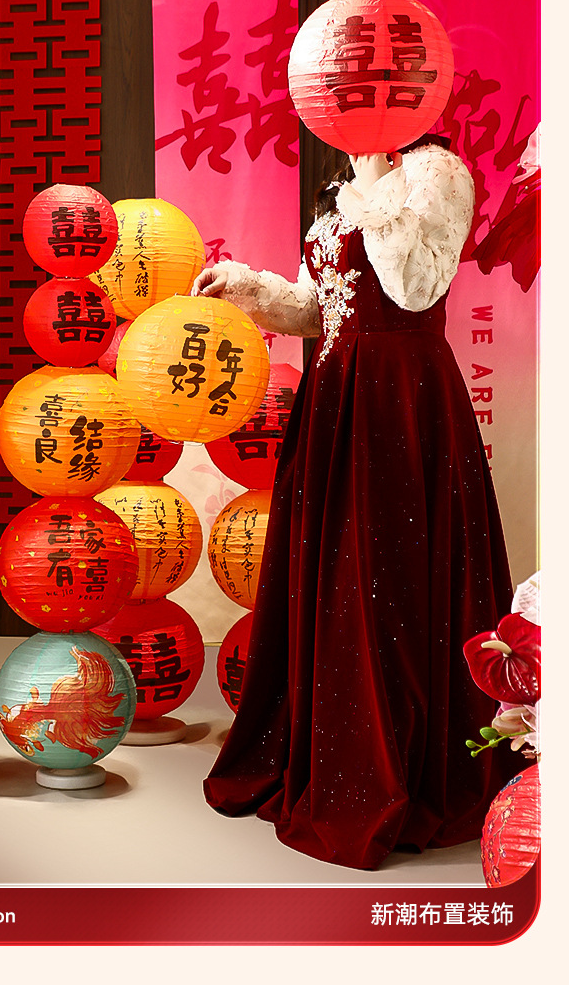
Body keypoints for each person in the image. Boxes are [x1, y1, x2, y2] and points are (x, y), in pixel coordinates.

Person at [196, 139, 517, 871]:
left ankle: (401, 770)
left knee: (390, 579)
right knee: (343, 577)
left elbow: (412, 288)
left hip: (401, 395)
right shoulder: (351, 174)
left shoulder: (435, 172)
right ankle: (334, 757)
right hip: (337, 391)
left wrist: (374, 180)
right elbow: (325, 309)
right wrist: (248, 287)